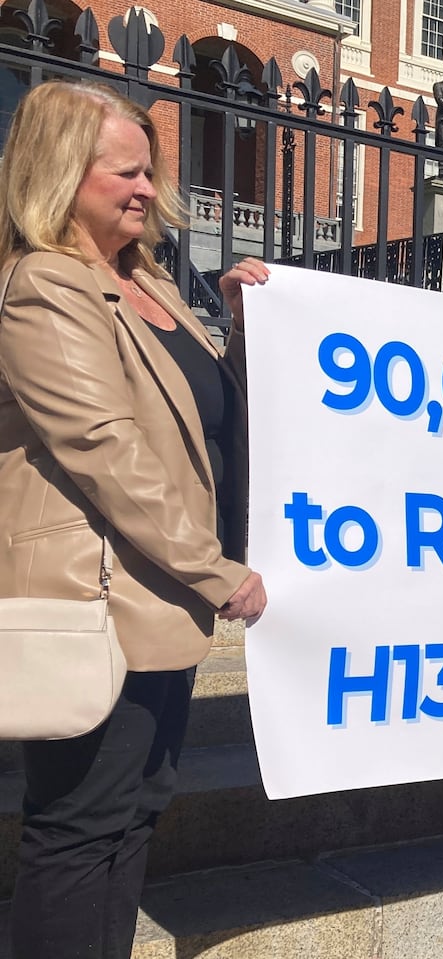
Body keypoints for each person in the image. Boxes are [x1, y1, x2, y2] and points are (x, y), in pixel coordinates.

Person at [0, 80, 270, 959]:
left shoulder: (146, 281)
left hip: (161, 600)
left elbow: (197, 417)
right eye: (126, 171)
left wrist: (233, 325)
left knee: (130, 818)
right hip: (98, 599)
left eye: (150, 171)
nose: (149, 189)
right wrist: (217, 569)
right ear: (60, 175)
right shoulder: (45, 286)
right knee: (79, 829)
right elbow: (107, 449)